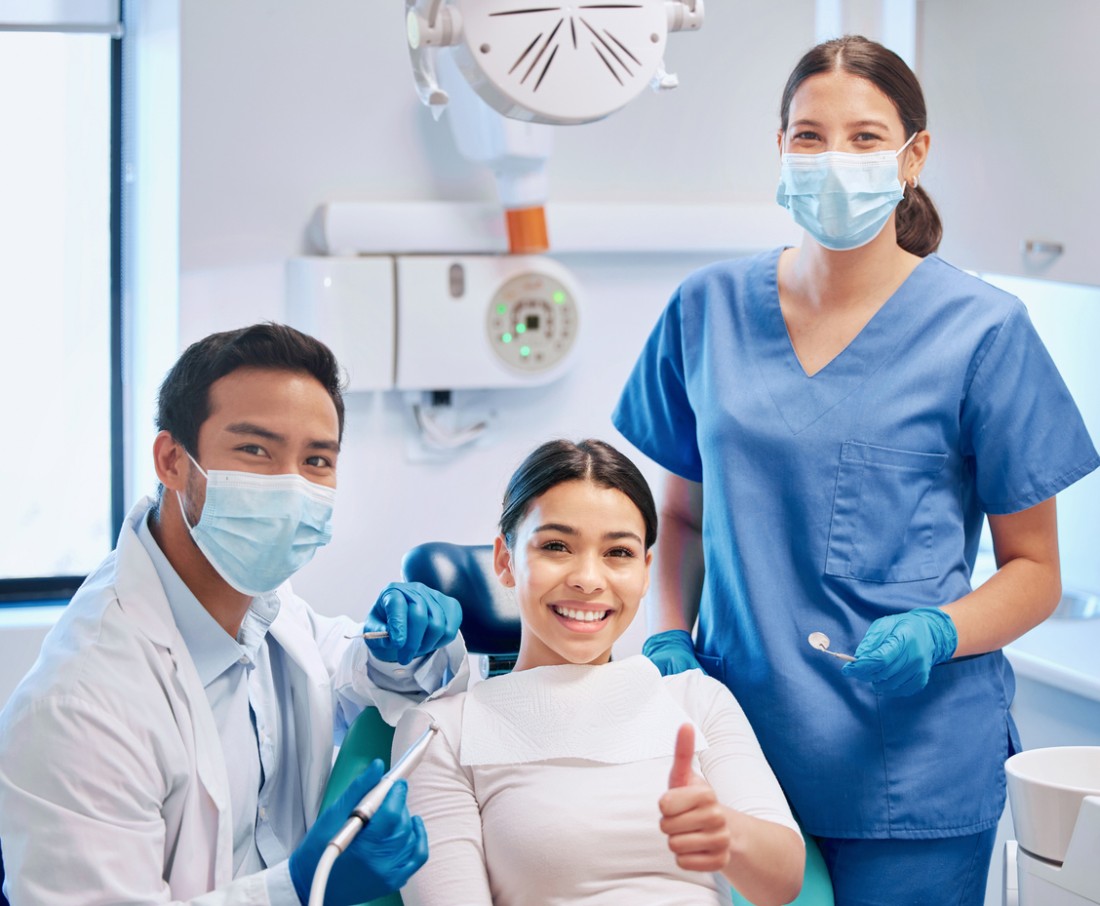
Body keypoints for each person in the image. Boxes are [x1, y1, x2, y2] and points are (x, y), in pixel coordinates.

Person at [612, 34, 1100, 906]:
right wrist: (669, 639)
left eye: (866, 137)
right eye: (809, 135)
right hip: (738, 742)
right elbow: (681, 518)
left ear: (914, 156)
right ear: (780, 149)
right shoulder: (707, 310)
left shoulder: (985, 332)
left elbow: (1034, 572)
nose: (835, 159)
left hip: (909, 767)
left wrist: (938, 631)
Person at [0, 323, 469, 905]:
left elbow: (354, 677)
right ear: (173, 461)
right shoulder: (79, 705)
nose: (291, 486)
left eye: (317, 459)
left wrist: (408, 649)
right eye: (254, 450)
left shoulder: (264, 606)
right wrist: (300, 888)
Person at [393, 438, 805, 906]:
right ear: (505, 561)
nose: (589, 579)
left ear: (647, 570)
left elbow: (784, 883)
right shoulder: (442, 731)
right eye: (556, 546)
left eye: (619, 553)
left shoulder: (696, 701)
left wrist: (725, 830)